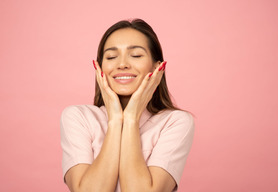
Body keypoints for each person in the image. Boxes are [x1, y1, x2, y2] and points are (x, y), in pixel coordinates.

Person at [60, 18, 194, 192]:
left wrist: (130, 118)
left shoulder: (175, 122)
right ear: (100, 68)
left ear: (157, 66)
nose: (122, 64)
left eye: (136, 55)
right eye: (111, 57)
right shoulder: (78, 117)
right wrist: (115, 120)